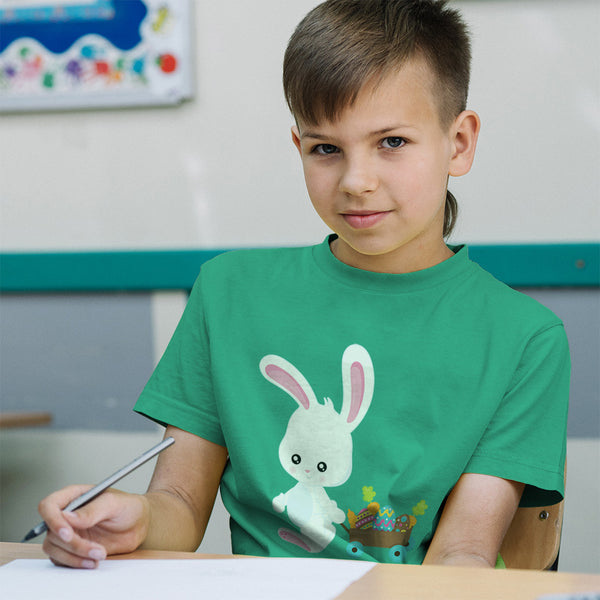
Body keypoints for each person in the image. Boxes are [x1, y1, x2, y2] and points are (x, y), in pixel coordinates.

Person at [38, 0, 569, 570]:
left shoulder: (525, 338)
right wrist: (136, 519)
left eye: (391, 142)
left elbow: (462, 553)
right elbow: (180, 505)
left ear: (458, 143)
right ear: (300, 148)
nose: (356, 181)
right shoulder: (228, 293)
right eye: (326, 149)